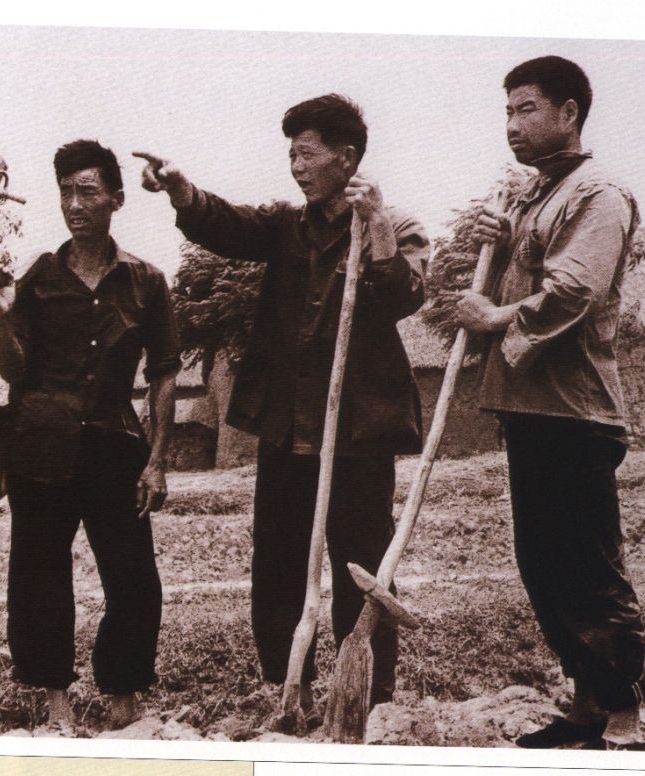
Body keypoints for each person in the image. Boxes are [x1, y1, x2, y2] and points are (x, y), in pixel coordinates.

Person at [134, 94, 429, 720]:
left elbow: (402, 298)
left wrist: (376, 227)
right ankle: (288, 687)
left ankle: (367, 695)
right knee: (278, 561)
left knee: (362, 561)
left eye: (307, 154)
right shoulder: (286, 225)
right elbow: (227, 225)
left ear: (346, 158)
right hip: (287, 426)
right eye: (291, 154)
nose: (296, 167)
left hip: (356, 431)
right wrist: (182, 190)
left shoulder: (395, 225)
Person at [455, 56, 645, 750]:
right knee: (543, 564)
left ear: (569, 113)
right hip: (532, 408)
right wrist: (503, 243)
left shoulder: (598, 194)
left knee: (588, 565)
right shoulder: (535, 199)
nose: (513, 124)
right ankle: (585, 705)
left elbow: (574, 290)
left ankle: (623, 713)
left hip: (577, 411)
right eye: (507, 112)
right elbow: (529, 277)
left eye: (527, 109)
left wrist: (492, 317)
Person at [0, 139, 180, 732]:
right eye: (66, 192)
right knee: (40, 577)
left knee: (134, 579)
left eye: (87, 191)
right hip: (39, 447)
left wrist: (156, 461)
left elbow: (164, 373)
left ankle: (123, 700)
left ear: (116, 199)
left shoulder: (146, 282)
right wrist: (2, 316)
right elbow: (11, 369)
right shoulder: (37, 278)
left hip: (114, 448)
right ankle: (56, 705)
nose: (74, 204)